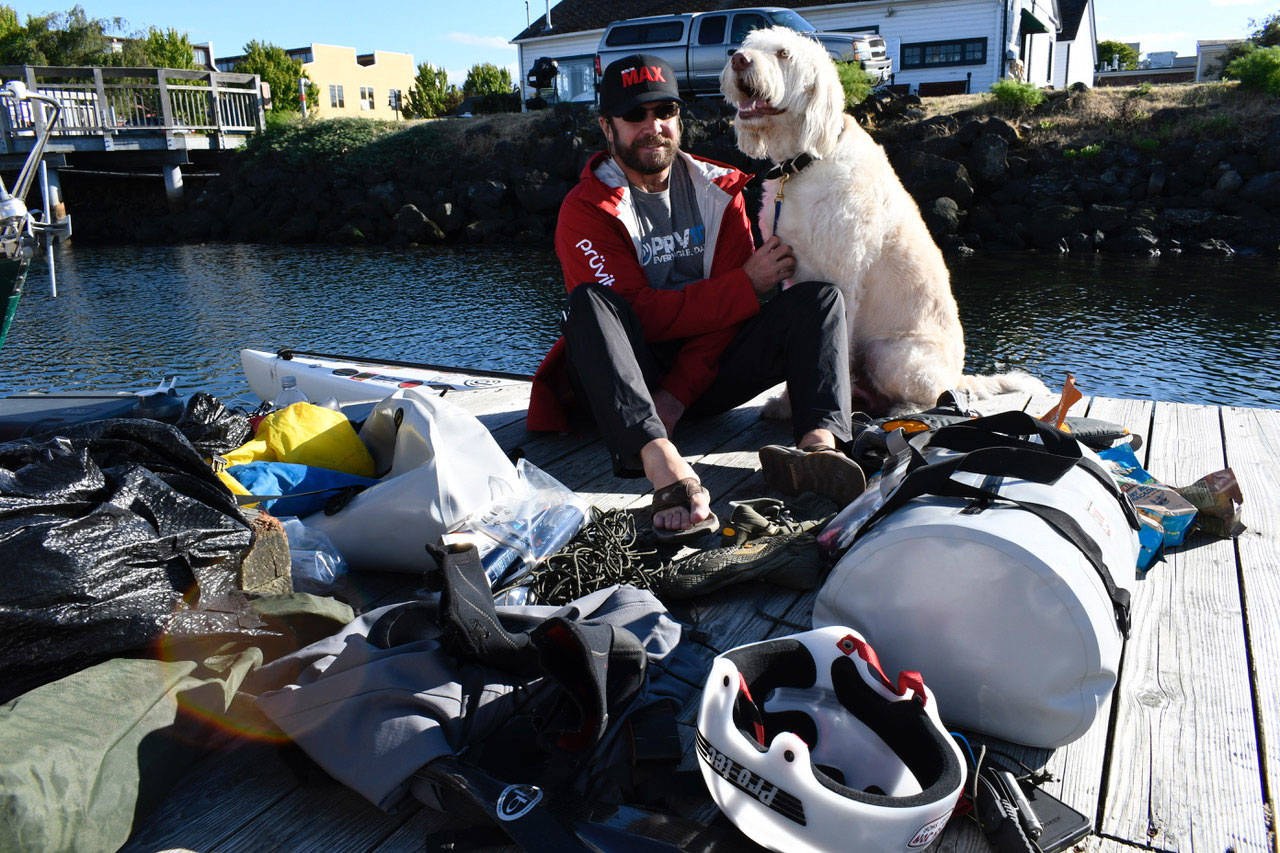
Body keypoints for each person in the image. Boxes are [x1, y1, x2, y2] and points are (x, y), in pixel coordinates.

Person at [526, 54, 863, 541]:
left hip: (701, 378)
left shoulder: (720, 193)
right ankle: (663, 466)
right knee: (589, 305)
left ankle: (817, 448)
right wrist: (744, 285)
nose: (653, 126)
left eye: (665, 111)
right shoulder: (586, 209)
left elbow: (733, 317)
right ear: (607, 126)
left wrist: (679, 395)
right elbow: (641, 315)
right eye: (635, 115)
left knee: (819, 300)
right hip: (627, 385)